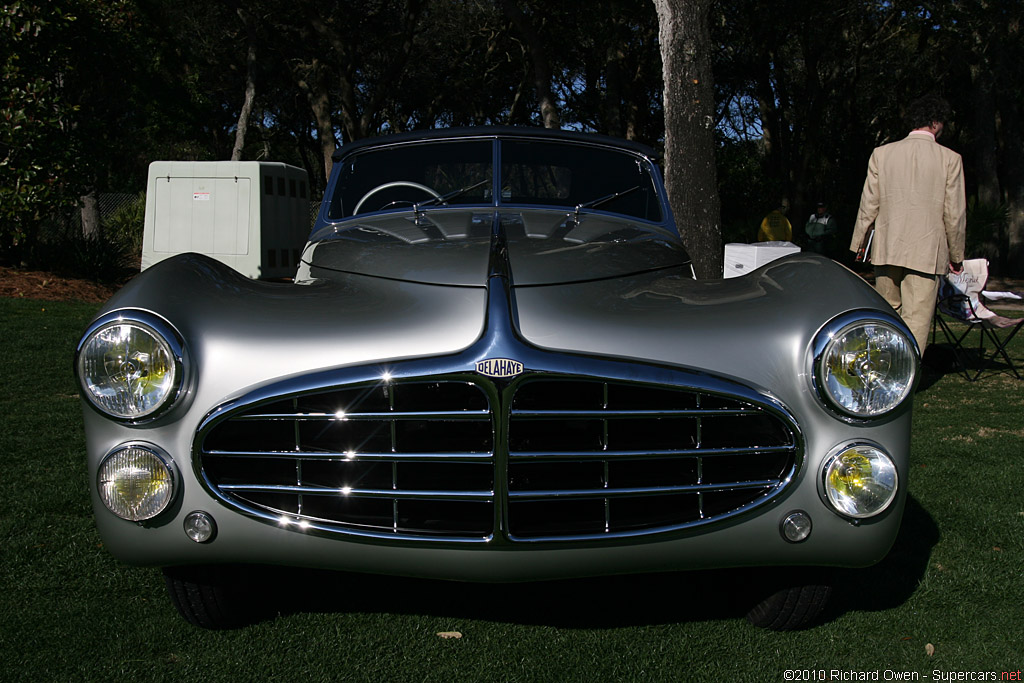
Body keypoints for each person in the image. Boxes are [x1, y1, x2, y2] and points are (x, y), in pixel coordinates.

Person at [850, 94, 966, 352]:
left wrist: (859, 244)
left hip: (887, 248)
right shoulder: (950, 159)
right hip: (926, 252)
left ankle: (881, 367)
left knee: (886, 312)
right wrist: (957, 255)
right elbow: (954, 214)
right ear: (935, 122)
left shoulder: (882, 154)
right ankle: (905, 377)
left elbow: (868, 203)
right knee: (916, 318)